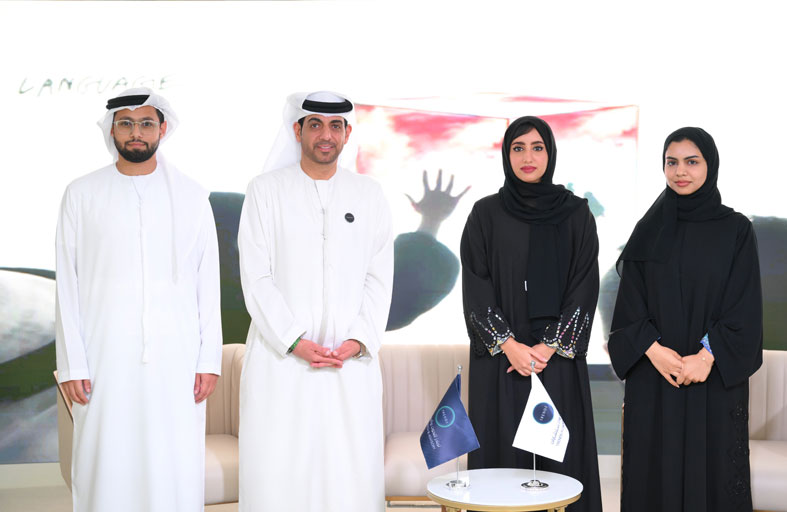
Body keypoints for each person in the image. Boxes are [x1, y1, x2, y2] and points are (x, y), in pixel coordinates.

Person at [55, 88, 222, 512]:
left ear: (162, 129)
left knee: (174, 461)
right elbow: (67, 286)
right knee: (105, 459)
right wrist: (73, 364)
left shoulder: (192, 196)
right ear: (111, 130)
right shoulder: (82, 194)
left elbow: (207, 284)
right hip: (103, 357)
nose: (136, 133)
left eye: (146, 123)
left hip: (176, 358)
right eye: (126, 123)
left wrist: (209, 360)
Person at [238, 91, 393, 512]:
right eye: (316, 125)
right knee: (279, 476)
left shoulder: (369, 194)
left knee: (349, 478)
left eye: (335, 126)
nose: (326, 135)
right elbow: (256, 277)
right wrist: (293, 340)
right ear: (298, 130)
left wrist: (358, 341)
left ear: (346, 134)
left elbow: (379, 278)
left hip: (349, 364)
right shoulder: (265, 191)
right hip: (282, 362)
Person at [608, 127, 762, 512]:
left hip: (713, 379)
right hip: (655, 377)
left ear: (710, 165)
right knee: (653, 478)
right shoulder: (648, 230)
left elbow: (744, 306)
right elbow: (629, 308)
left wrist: (706, 356)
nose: (680, 171)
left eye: (692, 161)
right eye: (671, 162)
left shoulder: (736, 230)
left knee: (713, 479)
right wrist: (655, 352)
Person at [461, 116, 603, 512]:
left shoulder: (576, 214)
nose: (528, 157)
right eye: (518, 148)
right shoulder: (485, 214)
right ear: (506, 155)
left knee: (558, 466)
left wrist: (548, 347)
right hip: (502, 363)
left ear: (550, 153)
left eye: (537, 147)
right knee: (501, 464)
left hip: (555, 362)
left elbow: (584, 286)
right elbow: (476, 286)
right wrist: (509, 345)